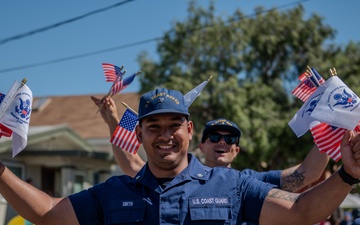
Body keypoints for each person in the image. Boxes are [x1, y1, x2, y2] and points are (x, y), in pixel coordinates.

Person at [1, 87, 360, 225]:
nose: (165, 135)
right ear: (138, 134)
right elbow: (47, 213)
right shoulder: (113, 193)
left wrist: (347, 174)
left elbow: (302, 211)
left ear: (190, 131)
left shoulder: (234, 185)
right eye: (153, 127)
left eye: (175, 125)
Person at [92, 96, 329, 193]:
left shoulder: (248, 182)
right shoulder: (171, 178)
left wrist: (330, 128)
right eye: (214, 137)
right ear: (202, 145)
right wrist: (113, 120)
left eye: (230, 139)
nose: (223, 142)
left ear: (237, 150)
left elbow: (305, 174)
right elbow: (132, 162)